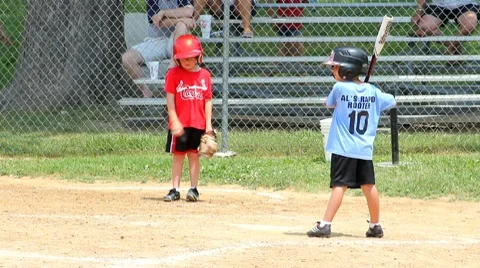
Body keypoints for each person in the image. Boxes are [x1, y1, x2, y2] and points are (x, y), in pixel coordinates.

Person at [307, 47, 396, 238]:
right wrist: (367, 91)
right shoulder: (373, 91)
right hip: (364, 149)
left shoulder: (339, 88)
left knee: (340, 185)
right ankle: (375, 225)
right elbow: (392, 101)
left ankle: (325, 224)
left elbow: (329, 103)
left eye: (335, 67)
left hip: (343, 148)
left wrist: (355, 92)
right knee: (368, 185)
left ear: (347, 70)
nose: (332, 71)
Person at [163, 34, 213, 202]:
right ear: (177, 59)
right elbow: (170, 100)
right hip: (179, 124)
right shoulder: (173, 74)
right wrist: (174, 120)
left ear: (199, 56)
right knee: (178, 156)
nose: (187, 61)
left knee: (193, 155)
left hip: (198, 123)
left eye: (191, 57)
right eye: (183, 58)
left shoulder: (205, 75)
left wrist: (208, 126)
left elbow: (208, 101)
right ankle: (175, 189)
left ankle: (193, 189)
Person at [122, 0, 196, 98]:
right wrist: (180, 19)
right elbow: (158, 22)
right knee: (127, 58)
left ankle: (171, 69)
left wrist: (164, 13)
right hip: (156, 41)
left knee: (182, 26)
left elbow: (188, 12)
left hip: (176, 40)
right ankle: (146, 94)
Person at [411, 0, 479, 58]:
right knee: (424, 26)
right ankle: (454, 47)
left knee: (470, 23)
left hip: (466, 4)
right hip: (439, 5)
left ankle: (451, 48)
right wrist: (418, 12)